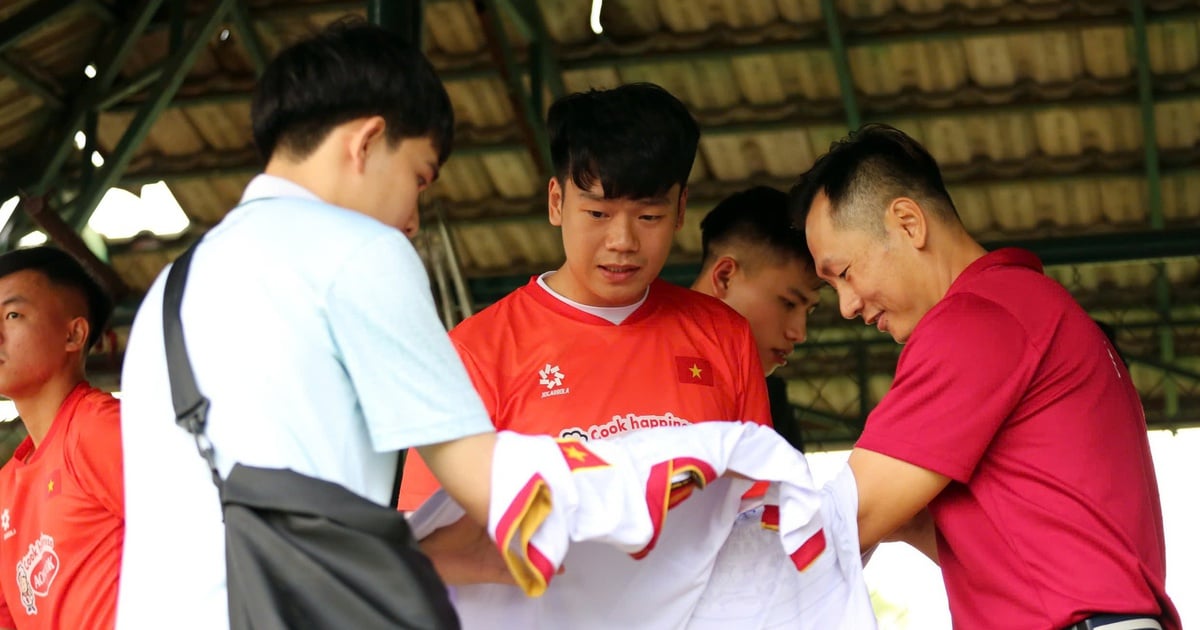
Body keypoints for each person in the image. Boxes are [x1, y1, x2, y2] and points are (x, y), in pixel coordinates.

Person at [116, 22, 501, 629]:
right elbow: (490, 481)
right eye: (418, 178)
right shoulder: (360, 252)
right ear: (368, 142)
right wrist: (672, 462)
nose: (412, 219)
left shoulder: (167, 291)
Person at [398, 83, 773, 628]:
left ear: (680, 210)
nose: (622, 241)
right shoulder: (478, 351)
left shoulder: (723, 337)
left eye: (647, 217)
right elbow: (426, 544)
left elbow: (755, 521)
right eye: (597, 213)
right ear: (556, 202)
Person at [792, 123, 1179, 629]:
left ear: (908, 223)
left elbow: (854, 515)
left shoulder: (979, 318)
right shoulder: (1029, 307)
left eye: (843, 274)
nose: (846, 306)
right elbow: (949, 527)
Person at [0, 246, 120, 630]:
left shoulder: (97, 429)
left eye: (12, 315)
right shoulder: (4, 489)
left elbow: (206, 533)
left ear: (74, 335)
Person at [691, 185, 822, 378]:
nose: (799, 334)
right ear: (724, 278)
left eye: (808, 312)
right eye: (788, 303)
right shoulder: (640, 360)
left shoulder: (765, 396)